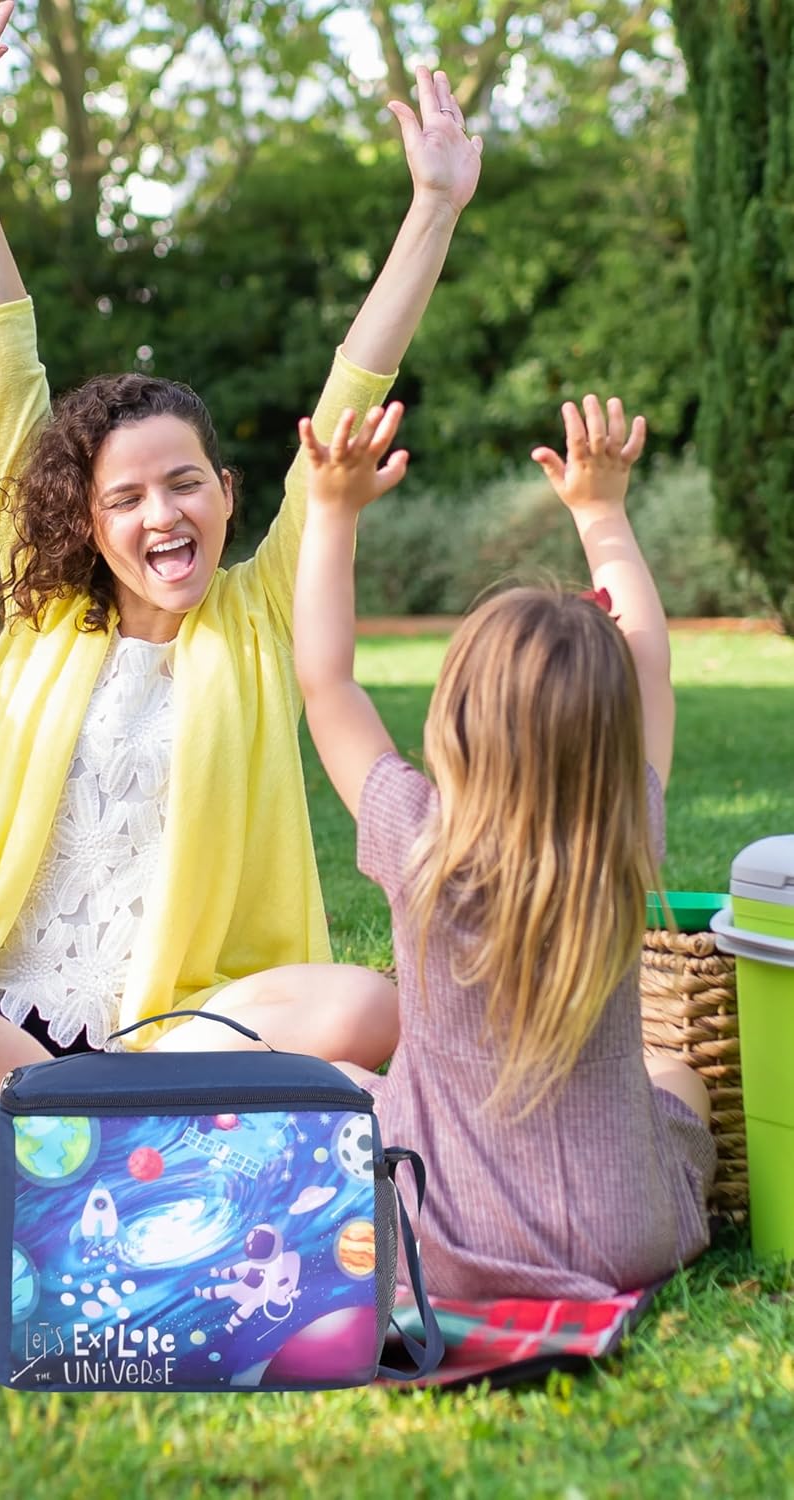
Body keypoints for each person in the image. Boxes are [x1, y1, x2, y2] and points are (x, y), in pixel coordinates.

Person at [0, 0, 483, 1156]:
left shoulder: (259, 613)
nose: (162, 513)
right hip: (1, 1008)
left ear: (230, 493)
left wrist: (433, 207)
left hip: (170, 1027)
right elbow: (3, 343)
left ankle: (32, 1129)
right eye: (127, 498)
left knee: (361, 1008)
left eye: (185, 484)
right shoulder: (47, 609)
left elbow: (355, 382)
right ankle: (78, 1118)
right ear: (84, 525)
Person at [292, 391, 715, 1298]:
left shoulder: (419, 839)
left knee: (335, 1085)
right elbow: (650, 661)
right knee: (676, 1071)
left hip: (439, 1237)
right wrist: (602, 512)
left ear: (457, 719)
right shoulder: (623, 828)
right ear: (611, 735)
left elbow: (325, 683)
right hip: (622, 1236)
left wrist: (332, 513)